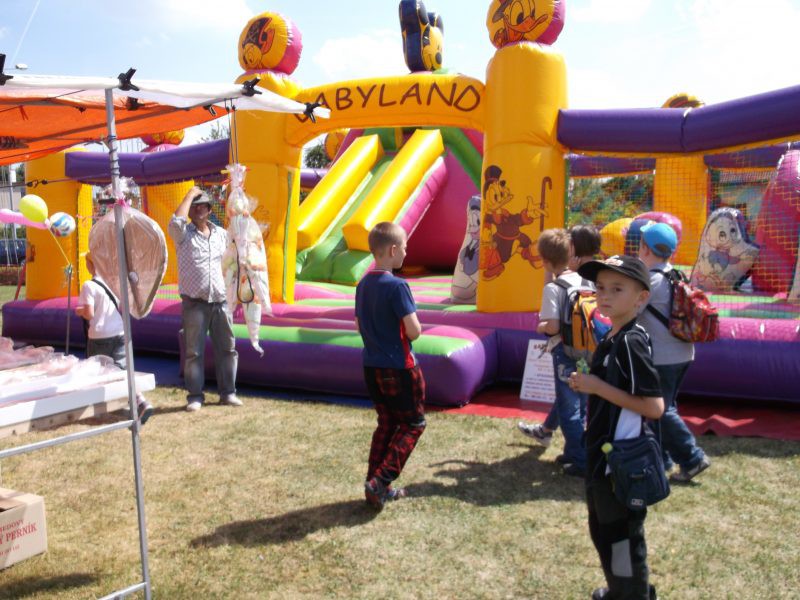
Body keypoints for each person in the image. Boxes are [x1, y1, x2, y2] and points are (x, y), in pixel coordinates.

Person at [569, 255, 665, 600]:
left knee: (621, 540)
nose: (605, 295)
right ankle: (619, 590)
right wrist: (590, 384)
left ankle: (631, 594)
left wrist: (596, 387)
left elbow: (654, 407)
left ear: (641, 297)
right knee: (604, 533)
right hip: (602, 458)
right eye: (600, 287)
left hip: (620, 465)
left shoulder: (631, 341)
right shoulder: (614, 334)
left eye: (617, 288)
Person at [518, 225, 602, 476]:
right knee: (581, 406)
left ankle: (581, 460)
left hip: (565, 352)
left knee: (568, 410)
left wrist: (541, 326)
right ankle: (573, 451)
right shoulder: (584, 280)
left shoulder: (554, 289)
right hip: (586, 350)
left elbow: (553, 325)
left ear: (545, 261)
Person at [355, 222, 425, 509]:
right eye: (405, 248)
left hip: (371, 365)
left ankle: (374, 483)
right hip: (399, 366)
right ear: (393, 250)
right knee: (413, 424)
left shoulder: (362, 285)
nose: (406, 253)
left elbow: (359, 324)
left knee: (386, 423)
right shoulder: (398, 286)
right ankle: (381, 480)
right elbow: (414, 331)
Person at [638, 222, 710, 482]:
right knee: (665, 406)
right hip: (683, 354)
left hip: (662, 357)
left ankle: (692, 458)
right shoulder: (677, 275)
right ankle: (662, 458)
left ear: (646, 249)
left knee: (659, 409)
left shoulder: (650, 280)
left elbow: (631, 310)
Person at [168, 186, 240, 412]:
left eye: (203, 206)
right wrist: (189, 195)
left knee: (227, 349)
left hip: (220, 301)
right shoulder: (183, 235)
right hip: (194, 303)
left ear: (210, 210)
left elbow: (232, 260)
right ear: (190, 210)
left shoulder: (221, 235)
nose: (199, 209)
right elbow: (175, 223)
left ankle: (228, 393)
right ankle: (195, 396)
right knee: (193, 353)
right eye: (195, 206)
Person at [75, 251, 153, 424]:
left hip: (99, 335)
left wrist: (78, 310)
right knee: (122, 370)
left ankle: (98, 407)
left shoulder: (89, 285)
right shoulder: (113, 283)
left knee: (97, 371)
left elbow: (89, 313)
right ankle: (139, 399)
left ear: (91, 265)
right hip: (119, 332)